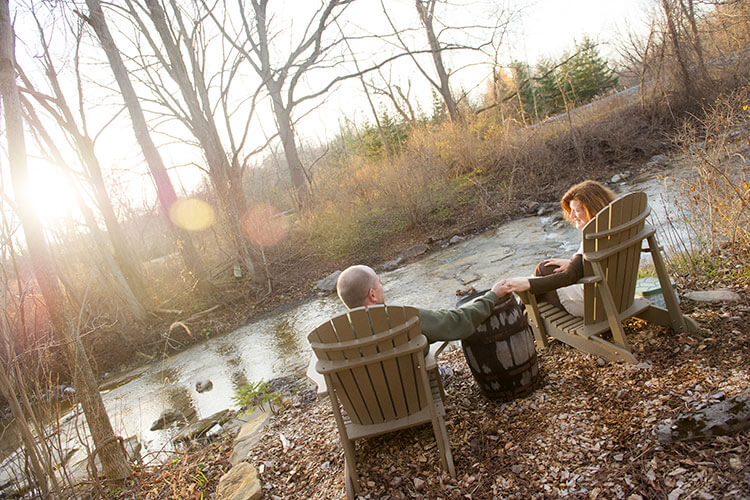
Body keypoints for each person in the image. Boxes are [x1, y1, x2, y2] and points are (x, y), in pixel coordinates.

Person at [498, 180, 616, 317]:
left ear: (593, 209)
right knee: (546, 267)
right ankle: (521, 320)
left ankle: (522, 325)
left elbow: (570, 276)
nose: (572, 216)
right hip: (619, 295)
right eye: (571, 210)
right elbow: (603, 261)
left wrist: (527, 283)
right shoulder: (619, 226)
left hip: (595, 305)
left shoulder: (593, 236)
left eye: (576, 211)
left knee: (536, 286)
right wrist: (577, 262)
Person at [336, 265, 509, 343]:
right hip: (414, 398)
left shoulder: (335, 337)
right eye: (379, 283)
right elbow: (455, 322)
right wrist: (492, 296)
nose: (382, 287)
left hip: (367, 412)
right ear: (372, 295)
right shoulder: (403, 318)